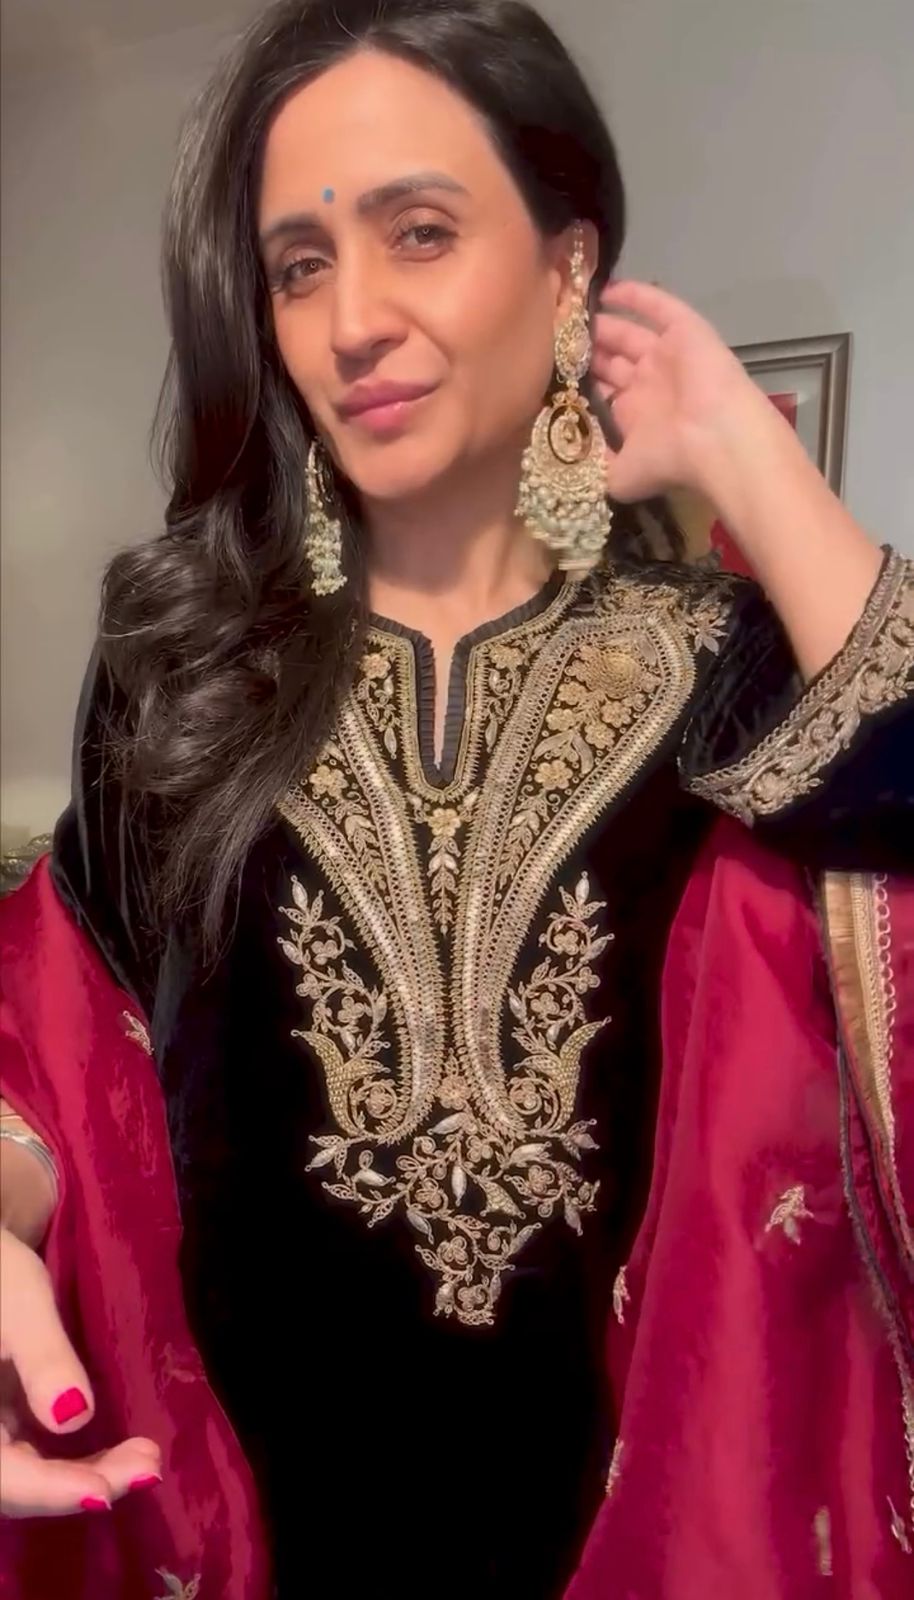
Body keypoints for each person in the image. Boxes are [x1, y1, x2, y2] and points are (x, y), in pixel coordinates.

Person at [0, 1, 911, 1596]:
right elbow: (73, 1061)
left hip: (643, 1539)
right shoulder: (180, 662)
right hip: (256, 1533)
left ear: (567, 266)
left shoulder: (723, 660)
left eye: (418, 232)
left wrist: (747, 461)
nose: (350, 320)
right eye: (298, 265)